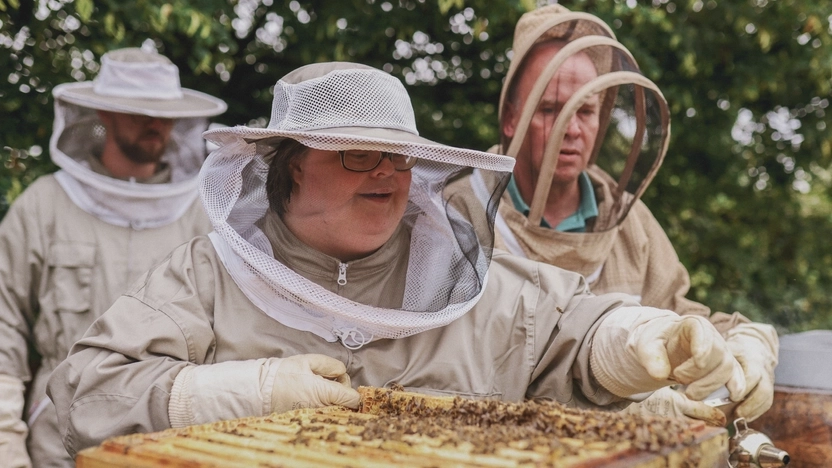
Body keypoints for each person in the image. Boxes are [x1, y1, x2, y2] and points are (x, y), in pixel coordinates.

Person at [47, 62, 745, 459]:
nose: (387, 171)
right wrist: (246, 391)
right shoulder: (203, 278)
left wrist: (636, 340)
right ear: (289, 165)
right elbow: (85, 394)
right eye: (357, 152)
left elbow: (569, 328)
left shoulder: (469, 279)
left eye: (401, 156)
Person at [453, 4, 778, 426]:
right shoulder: (458, 210)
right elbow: (440, 359)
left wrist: (743, 342)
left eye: (585, 111)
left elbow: (684, 321)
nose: (572, 129)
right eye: (551, 109)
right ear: (513, 118)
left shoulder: (631, 223)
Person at [0, 48, 226, 467]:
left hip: (171, 446)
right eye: (140, 112)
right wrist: (5, 445)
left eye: (165, 114)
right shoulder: (43, 205)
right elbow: (3, 325)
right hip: (58, 445)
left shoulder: (204, 213)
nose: (156, 124)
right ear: (104, 112)